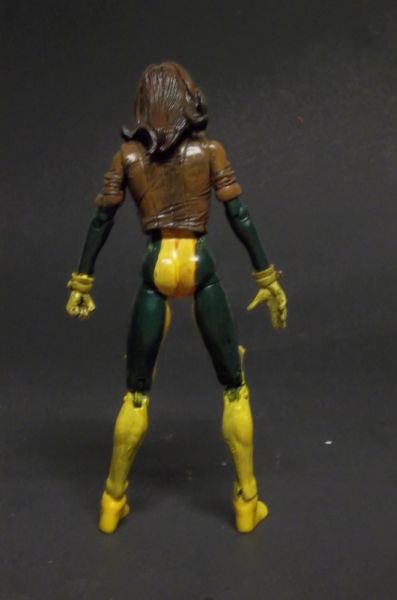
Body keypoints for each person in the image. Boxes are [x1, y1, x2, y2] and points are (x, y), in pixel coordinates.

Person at [66, 62, 287, 534]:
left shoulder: (128, 157)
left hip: (157, 267)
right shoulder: (209, 151)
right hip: (199, 265)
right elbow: (240, 215)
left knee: (136, 394)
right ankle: (247, 501)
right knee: (234, 386)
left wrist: (82, 280)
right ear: (188, 100)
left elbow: (101, 220)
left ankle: (112, 501)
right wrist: (266, 276)